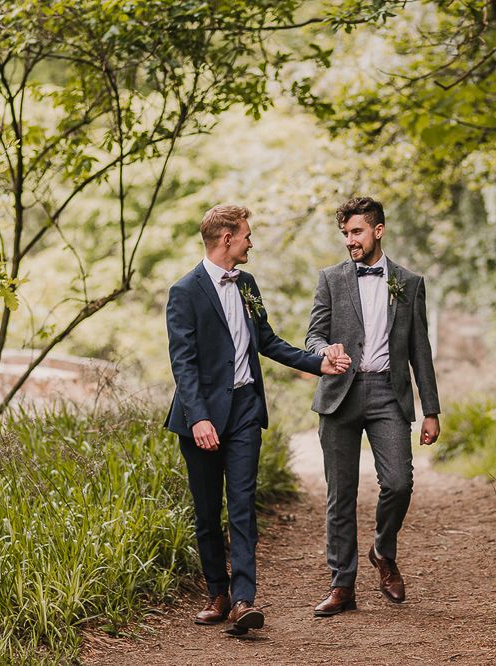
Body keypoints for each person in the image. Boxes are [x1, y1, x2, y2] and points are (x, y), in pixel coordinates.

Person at [165, 204, 349, 633]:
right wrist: (198, 418)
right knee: (208, 511)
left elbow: (265, 340)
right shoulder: (184, 291)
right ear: (226, 238)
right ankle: (218, 592)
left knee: (243, 506)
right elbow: (183, 363)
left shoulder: (247, 283)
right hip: (203, 419)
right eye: (247, 234)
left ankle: (244, 601)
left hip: (246, 409)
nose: (252, 242)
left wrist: (316, 363)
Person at [306, 196, 441, 616]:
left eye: (357, 232)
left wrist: (431, 409)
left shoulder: (410, 282)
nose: (350, 240)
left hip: (388, 393)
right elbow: (312, 337)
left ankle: (383, 550)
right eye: (346, 233)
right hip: (339, 395)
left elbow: (420, 349)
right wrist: (326, 350)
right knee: (339, 495)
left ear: (378, 231)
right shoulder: (330, 279)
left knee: (399, 482)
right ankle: (341, 585)